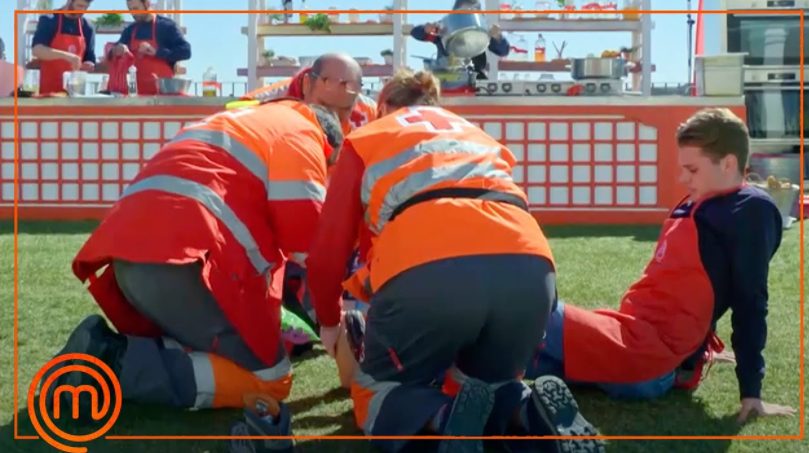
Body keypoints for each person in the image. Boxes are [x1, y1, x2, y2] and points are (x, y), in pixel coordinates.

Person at [305, 69, 603, 453]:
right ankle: (528, 409)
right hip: (530, 265)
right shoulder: (476, 135)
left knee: (379, 393)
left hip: (429, 268)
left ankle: (443, 417)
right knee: (490, 385)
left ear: (384, 107)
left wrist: (330, 322)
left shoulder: (368, 137)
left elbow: (329, 250)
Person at [46, 98, 342, 441]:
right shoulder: (302, 134)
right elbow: (312, 245)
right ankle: (111, 364)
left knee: (220, 348)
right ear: (328, 146)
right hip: (187, 266)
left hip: (129, 260)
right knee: (272, 379)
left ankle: (115, 352)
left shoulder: (237, 122)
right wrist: (335, 318)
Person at [525, 108, 797, 424]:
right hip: (636, 342)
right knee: (519, 355)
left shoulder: (751, 210)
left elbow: (750, 300)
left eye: (692, 169)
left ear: (728, 164)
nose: (683, 178)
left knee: (530, 311)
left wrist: (751, 391)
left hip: (646, 354)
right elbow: (702, 282)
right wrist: (699, 349)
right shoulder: (699, 201)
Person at [239, 53, 377, 136]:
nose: (332, 119)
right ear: (306, 85)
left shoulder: (371, 112)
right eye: (324, 108)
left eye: (344, 110)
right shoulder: (264, 104)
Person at [410, 0, 509, 80]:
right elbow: (416, 33)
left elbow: (504, 51)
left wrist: (498, 37)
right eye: (464, 12)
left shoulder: (482, 31)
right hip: (447, 78)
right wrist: (426, 29)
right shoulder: (445, 29)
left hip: (474, 78)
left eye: (471, 12)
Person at [109, 0, 191, 95]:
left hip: (162, 95)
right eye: (130, 9)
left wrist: (157, 52)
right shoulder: (129, 31)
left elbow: (186, 51)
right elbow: (112, 52)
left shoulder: (167, 26)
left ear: (147, 4)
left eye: (136, 8)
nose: (133, 13)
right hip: (134, 94)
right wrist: (116, 50)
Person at [31, 0, 96, 95]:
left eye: (86, 7)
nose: (82, 10)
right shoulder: (49, 19)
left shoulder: (88, 26)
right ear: (69, 2)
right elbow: (37, 50)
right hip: (49, 92)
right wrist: (68, 56)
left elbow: (89, 57)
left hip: (75, 92)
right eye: (79, 6)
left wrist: (89, 64)